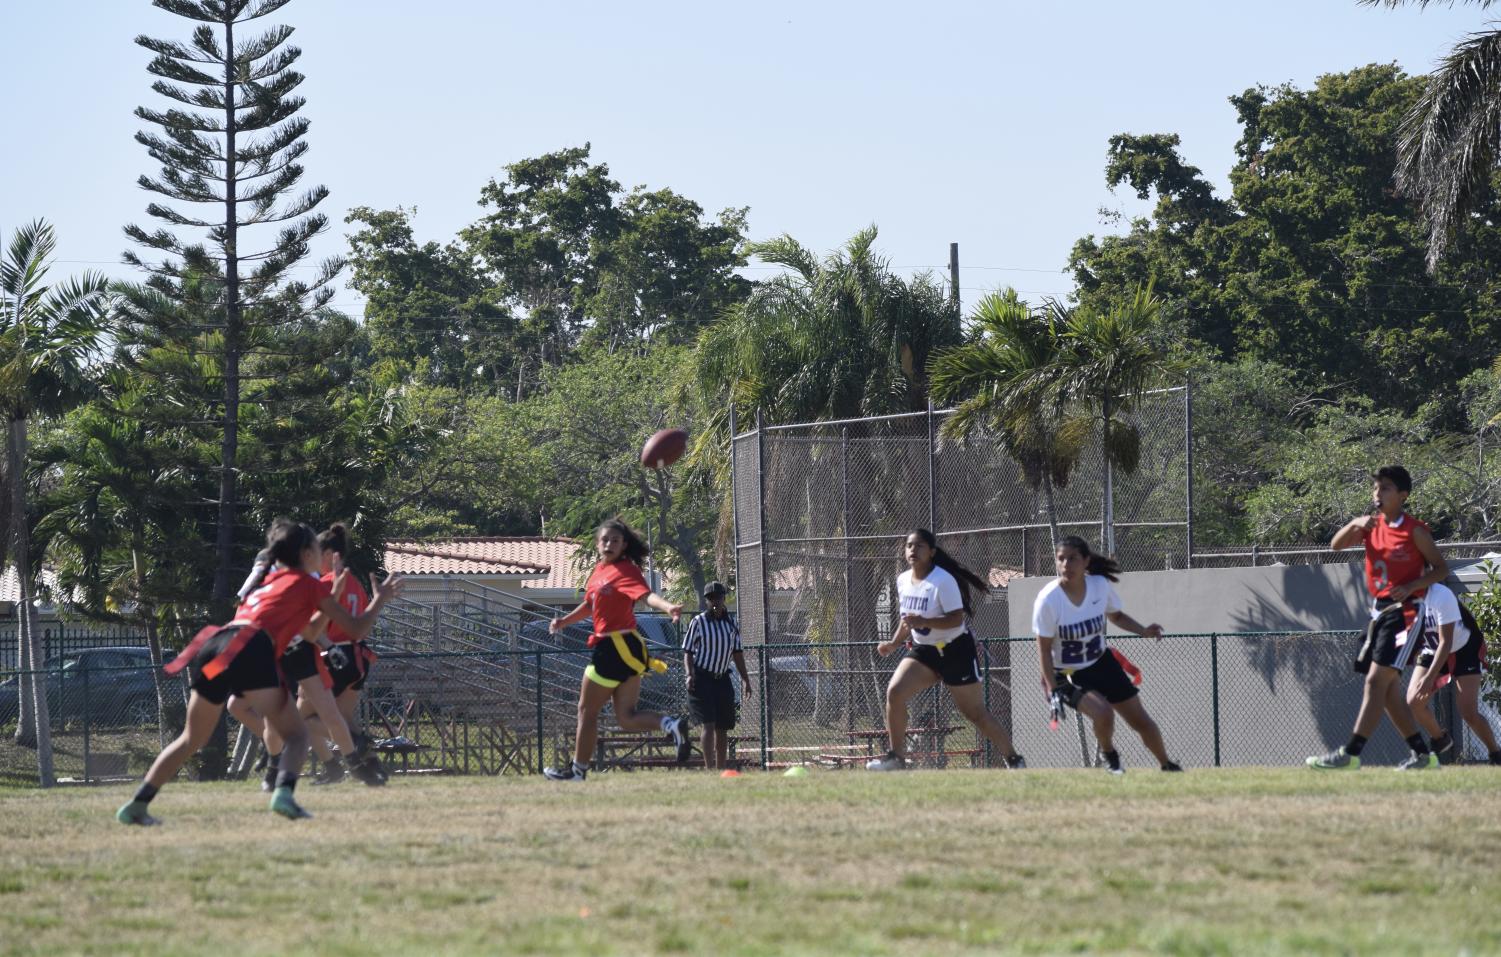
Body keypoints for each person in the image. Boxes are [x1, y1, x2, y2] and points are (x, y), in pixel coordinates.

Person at [116, 519, 402, 825]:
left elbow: (308, 631)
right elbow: (357, 628)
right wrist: (380, 600)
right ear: (306, 554)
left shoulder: (269, 582)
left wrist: (325, 603)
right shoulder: (309, 584)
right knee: (297, 735)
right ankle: (283, 796)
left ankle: (136, 806)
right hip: (253, 648)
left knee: (191, 739)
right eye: (317, 549)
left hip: (217, 644)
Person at [1308, 465, 1449, 771]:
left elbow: (1441, 569)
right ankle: (1423, 756)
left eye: (1385, 488)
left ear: (1403, 495)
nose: (1378, 493)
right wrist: (1355, 523)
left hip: (1407, 613)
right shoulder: (1371, 526)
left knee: (1376, 680)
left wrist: (1412, 585)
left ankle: (1351, 752)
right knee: (1385, 691)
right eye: (1376, 488)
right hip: (1380, 612)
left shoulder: (1415, 530)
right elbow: (1336, 545)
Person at [542, 519, 690, 782]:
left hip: (616, 647)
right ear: (598, 544)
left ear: (624, 546)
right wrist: (564, 621)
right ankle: (670, 724)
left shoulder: (626, 570)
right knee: (626, 717)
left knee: (586, 710)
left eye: (615, 540)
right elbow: (591, 606)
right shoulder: (599, 572)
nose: (609, 544)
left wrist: (667, 607)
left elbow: (645, 596)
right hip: (624, 649)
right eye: (605, 540)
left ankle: (577, 772)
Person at [867, 529, 1026, 772]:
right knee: (895, 692)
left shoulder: (943, 580)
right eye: (909, 545)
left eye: (920, 546)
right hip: (925, 652)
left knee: (975, 714)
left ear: (931, 552)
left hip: (956, 651)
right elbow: (906, 620)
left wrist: (925, 622)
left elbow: (955, 620)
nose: (913, 550)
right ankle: (895, 759)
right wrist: (894, 643)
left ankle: (1014, 759)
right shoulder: (902, 580)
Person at [1033, 536, 1182, 774]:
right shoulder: (1048, 600)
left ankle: (1167, 765)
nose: (1066, 565)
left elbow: (1117, 617)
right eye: (1061, 559)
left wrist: (1143, 630)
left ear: (1086, 561)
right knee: (1103, 712)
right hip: (1068, 673)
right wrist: (1053, 690)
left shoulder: (1099, 586)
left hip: (1101, 663)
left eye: (1073, 558)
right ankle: (1109, 754)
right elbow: (1043, 650)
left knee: (1141, 721)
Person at [305, 522, 388, 786]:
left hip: (334, 656)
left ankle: (356, 745)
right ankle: (373, 765)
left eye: (317, 554)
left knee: (302, 718)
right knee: (344, 715)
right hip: (359, 657)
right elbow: (362, 623)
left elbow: (312, 627)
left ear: (330, 555)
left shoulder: (327, 584)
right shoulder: (356, 584)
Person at [1403, 580, 1501, 765]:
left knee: (1468, 711)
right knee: (1414, 700)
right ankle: (1440, 739)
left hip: (1464, 648)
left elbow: (1445, 642)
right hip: (1432, 650)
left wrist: (1429, 678)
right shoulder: (1401, 598)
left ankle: (1495, 754)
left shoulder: (1440, 594)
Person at [681, 581, 752, 770]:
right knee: (709, 724)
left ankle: (721, 769)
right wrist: (689, 675)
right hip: (702, 678)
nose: (715, 601)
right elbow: (687, 651)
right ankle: (709, 769)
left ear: (723, 599)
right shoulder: (698, 622)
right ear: (707, 601)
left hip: (722, 679)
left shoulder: (731, 624)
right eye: (711, 598)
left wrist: (745, 679)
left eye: (718, 597)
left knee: (723, 727)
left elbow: (737, 653)